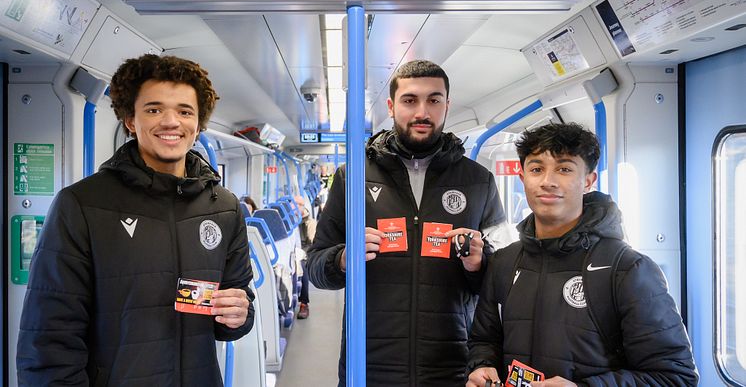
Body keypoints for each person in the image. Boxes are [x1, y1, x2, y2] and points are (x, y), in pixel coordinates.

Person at [17, 54, 254, 386]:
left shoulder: (225, 208)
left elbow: (236, 307)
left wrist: (238, 316)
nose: (172, 122)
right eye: (154, 109)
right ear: (130, 119)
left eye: (185, 111)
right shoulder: (83, 205)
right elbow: (49, 339)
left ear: (198, 125)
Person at [306, 60, 512, 386]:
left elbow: (504, 284)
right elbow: (316, 268)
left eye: (433, 100)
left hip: (453, 366)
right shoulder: (353, 177)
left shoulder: (479, 182)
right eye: (409, 100)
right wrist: (343, 258)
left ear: (447, 105)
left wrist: (479, 264)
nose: (422, 112)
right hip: (369, 365)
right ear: (391, 106)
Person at [466, 123, 698, 386]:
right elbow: (485, 340)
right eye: (536, 169)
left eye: (564, 169)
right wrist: (482, 366)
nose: (547, 181)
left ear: (588, 181)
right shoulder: (504, 262)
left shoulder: (627, 269)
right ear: (523, 178)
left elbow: (675, 377)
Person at [294, 195, 317, 319]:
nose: (296, 207)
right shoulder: (287, 221)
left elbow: (312, 243)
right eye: (294, 203)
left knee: (303, 266)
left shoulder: (310, 223)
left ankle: (304, 303)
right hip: (290, 251)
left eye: (299, 204)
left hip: (304, 252)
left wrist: (301, 253)